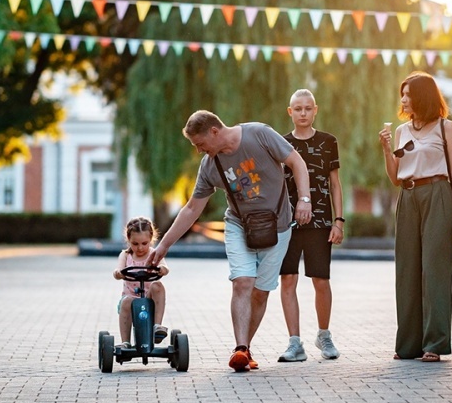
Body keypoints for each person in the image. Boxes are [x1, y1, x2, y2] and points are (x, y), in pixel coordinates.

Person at [145, 110, 312, 372]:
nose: (199, 151)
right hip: (238, 225)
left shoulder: (259, 134)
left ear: (214, 131)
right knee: (243, 282)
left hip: (278, 226)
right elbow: (191, 209)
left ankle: (246, 348)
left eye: (200, 144)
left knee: (261, 292)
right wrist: (164, 244)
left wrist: (304, 199)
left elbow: (297, 162)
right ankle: (241, 349)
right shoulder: (210, 165)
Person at [379, 72, 452, 363]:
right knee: (406, 270)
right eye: (402, 94)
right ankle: (408, 345)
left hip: (438, 194)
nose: (403, 99)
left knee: (435, 269)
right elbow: (395, 177)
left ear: (423, 96)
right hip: (407, 197)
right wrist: (385, 149)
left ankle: (435, 343)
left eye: (408, 94)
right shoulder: (401, 131)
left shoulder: (447, 129)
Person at [277, 89, 344, 363]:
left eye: (307, 108)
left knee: (321, 280)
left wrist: (338, 221)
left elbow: (335, 185)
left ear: (315, 110)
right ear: (289, 111)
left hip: (320, 222)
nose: (303, 113)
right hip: (287, 223)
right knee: (288, 279)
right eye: (298, 108)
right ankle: (295, 343)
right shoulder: (280, 143)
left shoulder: (329, 142)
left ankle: (324, 335)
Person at [113, 217, 170, 348]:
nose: (139, 248)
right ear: (128, 240)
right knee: (126, 301)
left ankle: (157, 327)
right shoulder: (125, 255)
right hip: (130, 299)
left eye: (144, 243)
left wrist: (162, 269)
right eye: (135, 244)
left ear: (151, 240)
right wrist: (118, 273)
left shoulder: (154, 254)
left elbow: (165, 267)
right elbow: (118, 270)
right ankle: (125, 342)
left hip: (149, 298)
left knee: (158, 286)